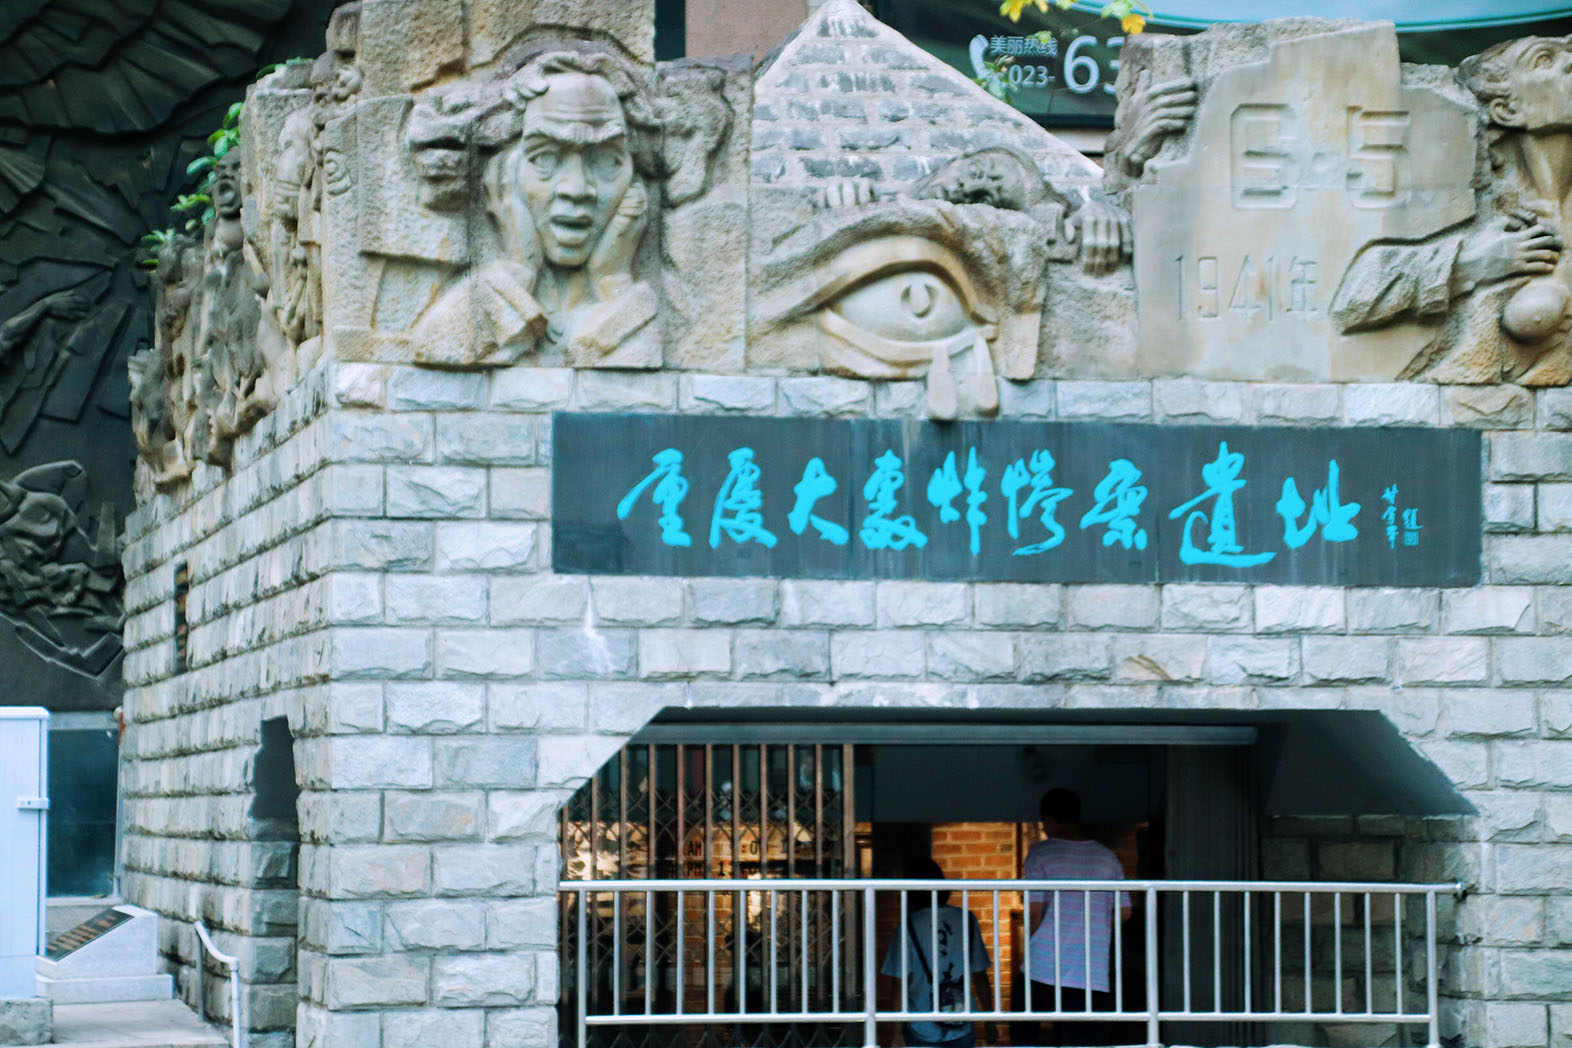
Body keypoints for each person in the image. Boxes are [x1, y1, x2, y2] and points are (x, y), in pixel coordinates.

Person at [1018, 789, 1130, 1047]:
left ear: (1049, 819)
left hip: (1044, 964)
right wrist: (1096, 928)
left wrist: (1030, 948)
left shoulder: (1041, 853)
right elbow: (1125, 912)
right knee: (1083, 1040)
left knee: (1025, 1033)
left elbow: (1034, 912)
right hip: (1091, 969)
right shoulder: (1108, 858)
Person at [882, 857, 996, 1048]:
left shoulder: (908, 927)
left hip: (921, 1023)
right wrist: (990, 1021)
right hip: (961, 1020)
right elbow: (979, 975)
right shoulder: (966, 920)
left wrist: (896, 1033)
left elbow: (899, 983)